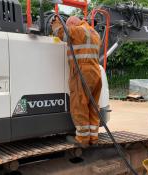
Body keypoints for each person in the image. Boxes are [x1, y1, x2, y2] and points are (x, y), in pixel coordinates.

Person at [51, 16, 102, 147]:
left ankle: (82, 139)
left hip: (81, 72)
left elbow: (60, 32)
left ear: (73, 23)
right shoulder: (94, 32)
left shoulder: (78, 30)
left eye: (69, 25)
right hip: (95, 72)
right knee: (93, 106)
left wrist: (55, 22)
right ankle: (93, 138)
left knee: (79, 104)